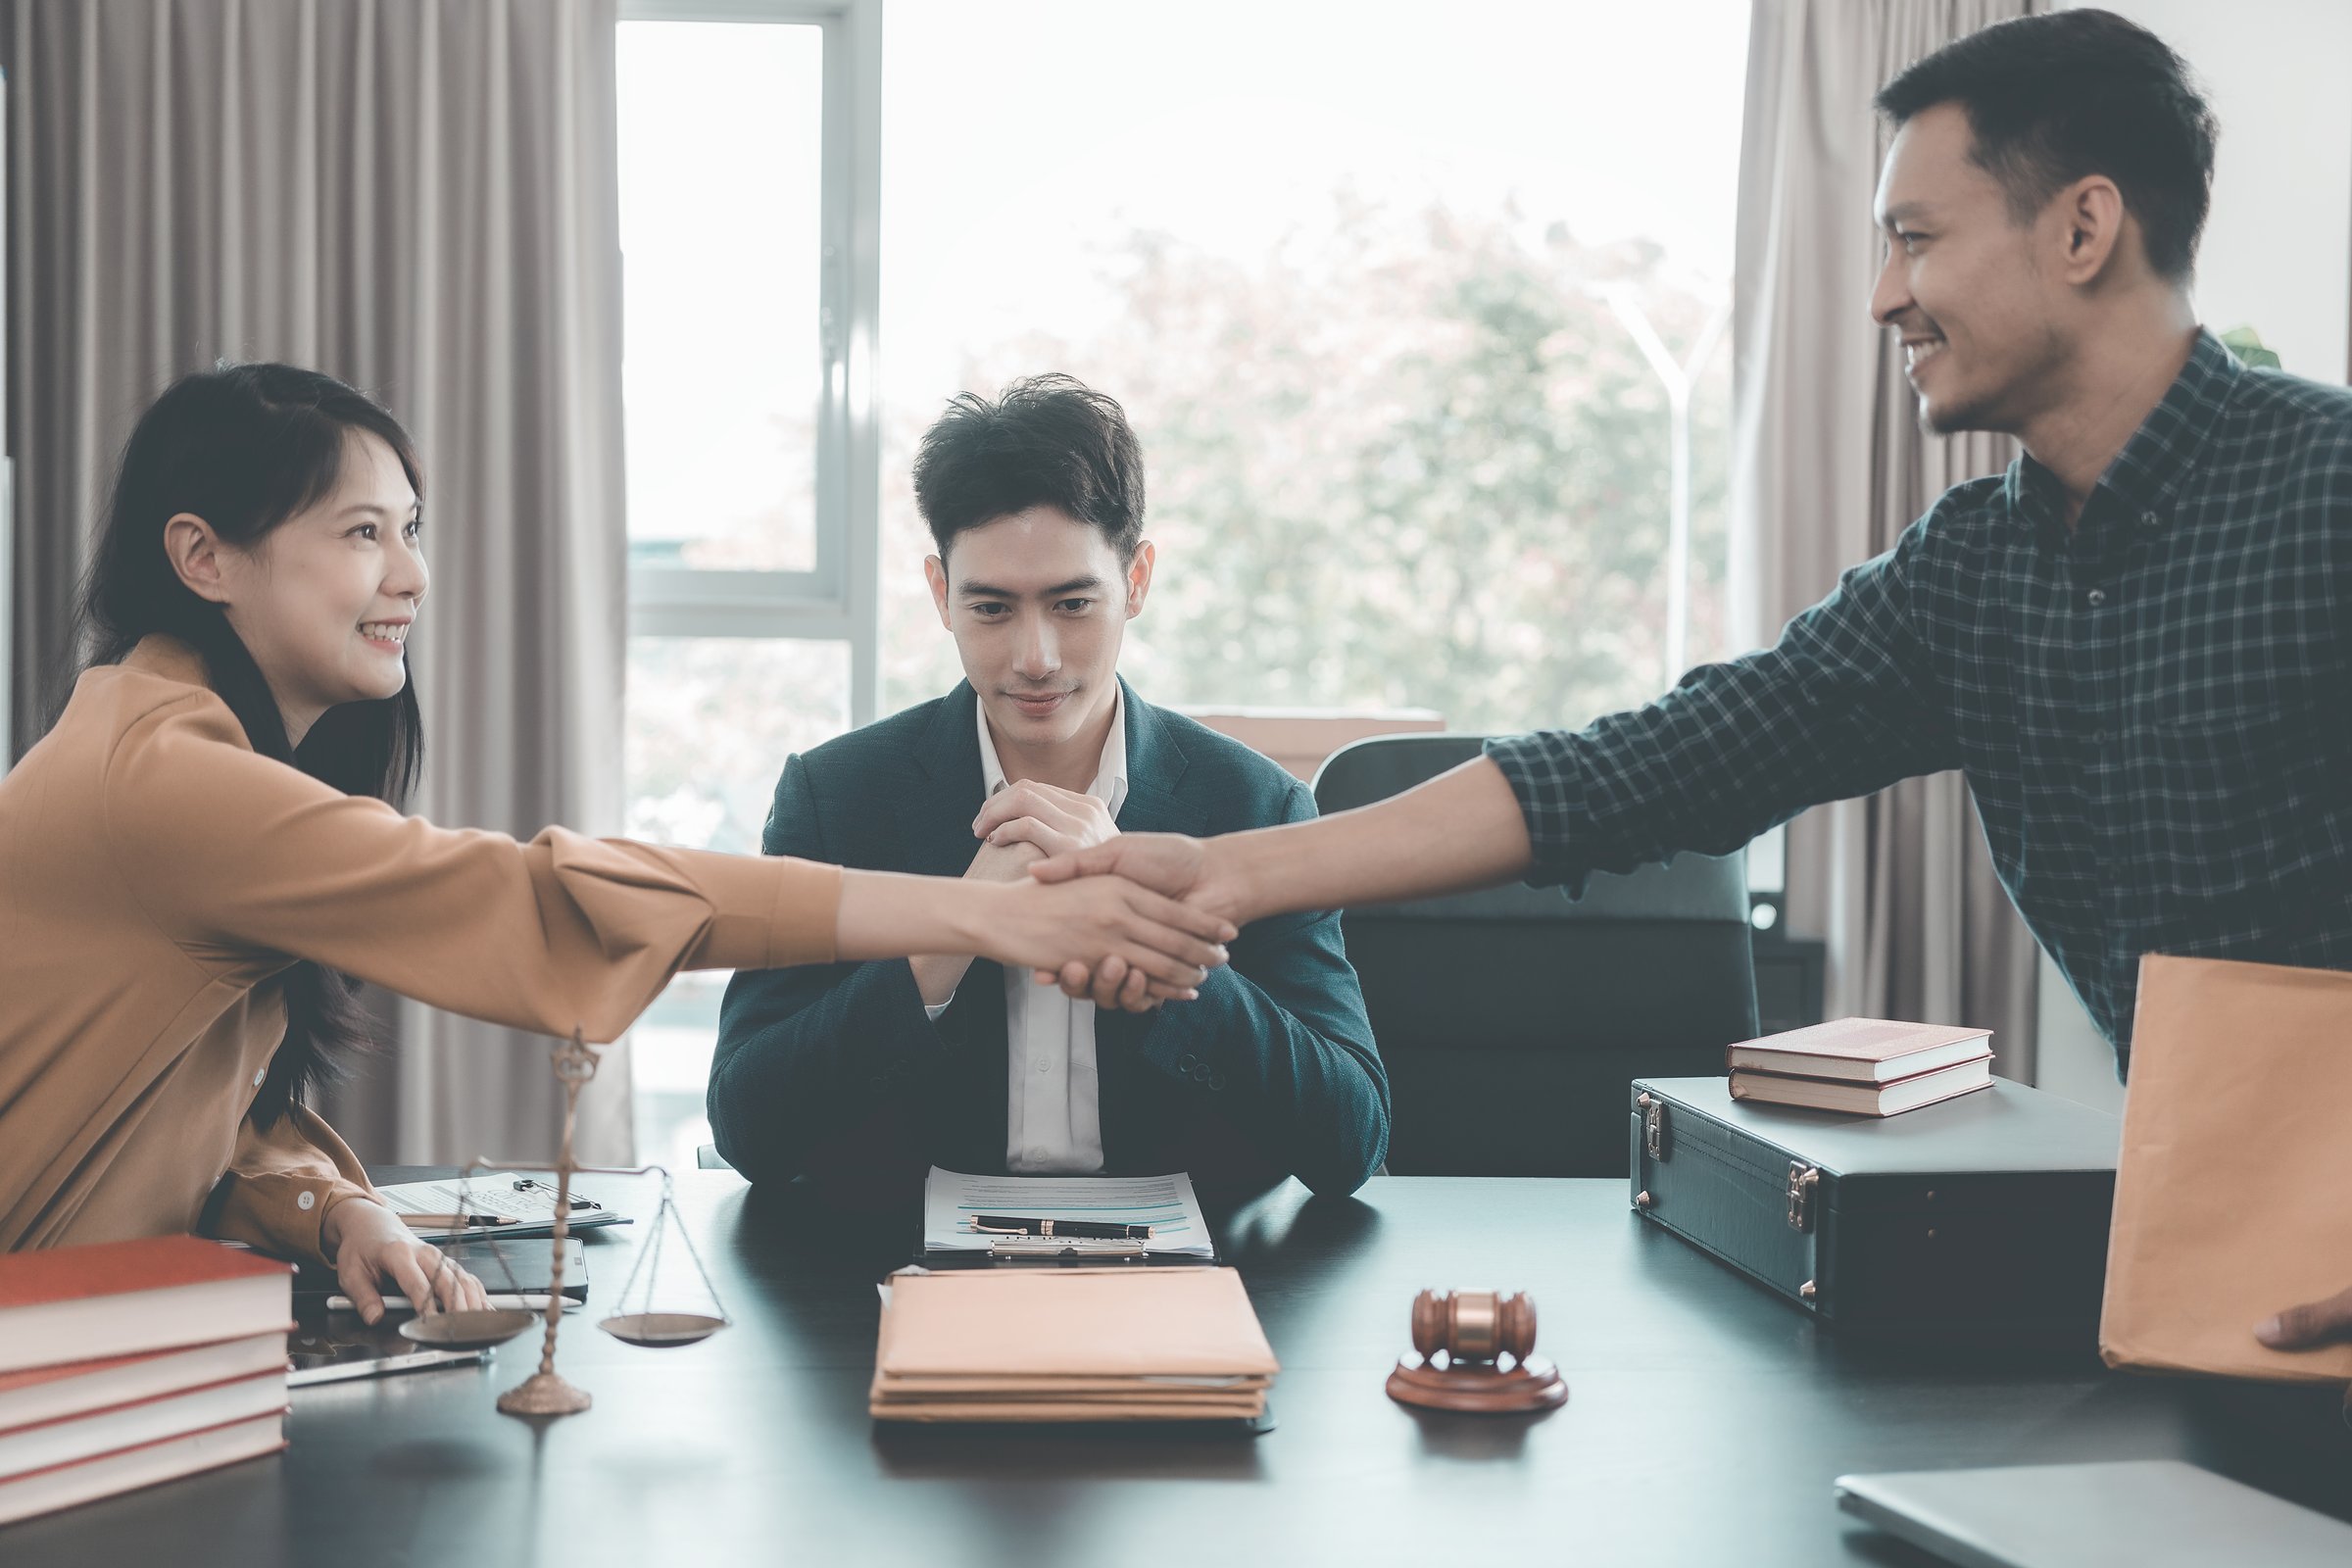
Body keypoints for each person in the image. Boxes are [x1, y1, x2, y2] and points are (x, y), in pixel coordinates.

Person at [1031, 14, 2352, 1350]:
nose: (1885, 297)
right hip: (2217, 1275)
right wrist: (1233, 875)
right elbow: (1640, 770)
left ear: (2082, 231)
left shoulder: (2327, 493)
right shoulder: (1973, 577)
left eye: (1918, 238)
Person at [0, 364, 1234, 1323]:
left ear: (1135, 585)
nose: (414, 575)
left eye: (411, 527)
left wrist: (331, 1209)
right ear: (203, 557)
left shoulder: (162, 741)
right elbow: (533, 904)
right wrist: (978, 914)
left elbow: (188, 1100)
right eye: (362, 532)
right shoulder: (163, 780)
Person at [708, 375, 1386, 1199]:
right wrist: (950, 931)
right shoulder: (835, 797)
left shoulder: (1257, 807)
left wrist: (1150, 942)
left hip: (1186, 1284)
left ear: (1135, 582)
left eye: (1071, 603)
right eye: (991, 609)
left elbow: (1351, 1142)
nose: (1035, 656)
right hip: (892, 1274)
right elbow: (748, 1128)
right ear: (939, 593)